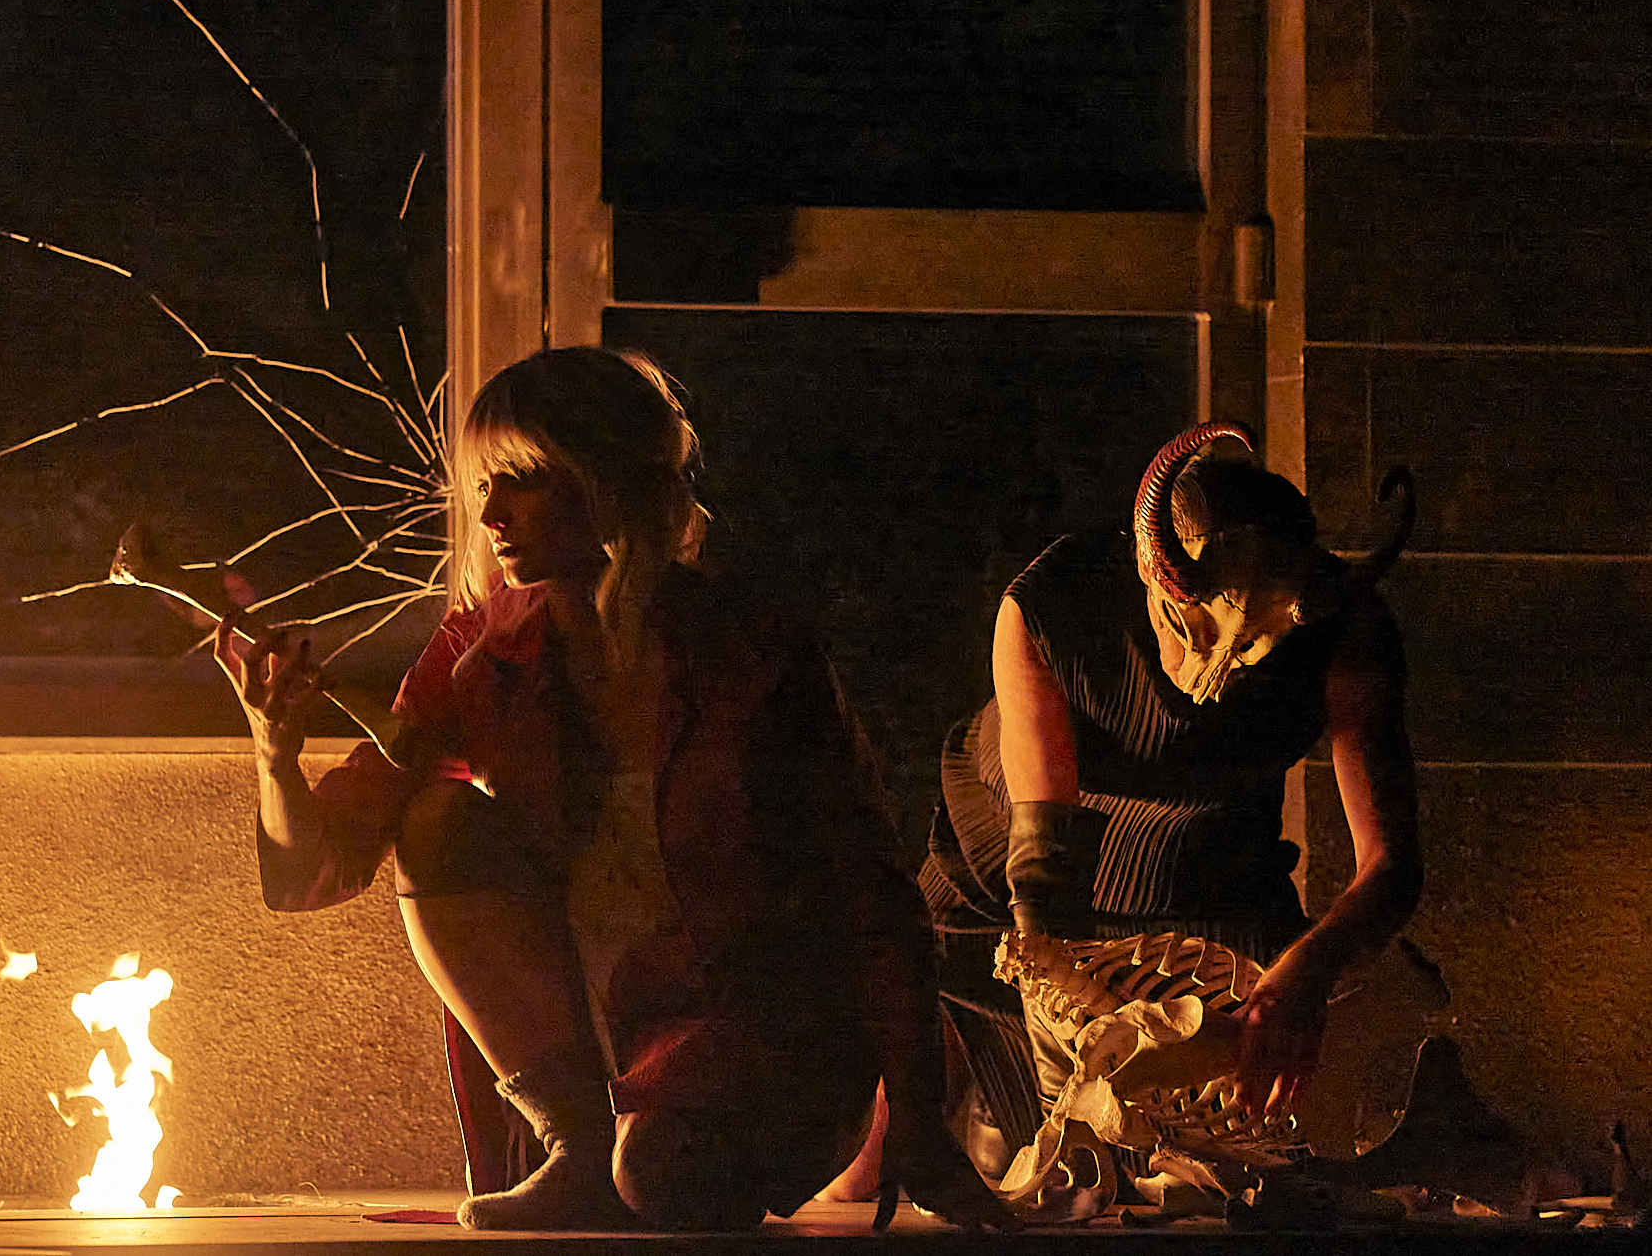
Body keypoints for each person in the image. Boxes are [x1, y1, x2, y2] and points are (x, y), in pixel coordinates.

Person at [217, 346, 998, 1230]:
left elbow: (871, 890)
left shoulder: (750, 654)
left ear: (610, 480)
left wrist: (919, 1121)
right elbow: (319, 868)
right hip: (602, 1044)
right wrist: (275, 754)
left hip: (762, 1033)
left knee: (662, 1172)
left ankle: (631, 1155)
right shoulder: (482, 652)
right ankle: (578, 1143)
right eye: (482, 484)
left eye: (524, 480)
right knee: (437, 824)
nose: (492, 513)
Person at [918, 422, 1426, 1176]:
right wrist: (1066, 1086)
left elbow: (1391, 863)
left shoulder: (1347, 628)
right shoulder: (1050, 605)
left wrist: (1308, 971)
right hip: (1020, 851)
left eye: (1252, 647)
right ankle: (990, 1103)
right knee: (1052, 1139)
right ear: (1150, 578)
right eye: (1188, 628)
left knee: (1285, 1120)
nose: (1210, 673)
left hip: (1207, 866)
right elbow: (1044, 883)